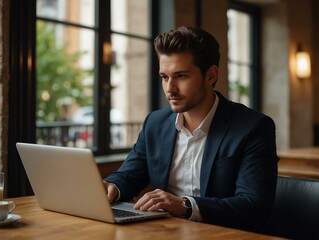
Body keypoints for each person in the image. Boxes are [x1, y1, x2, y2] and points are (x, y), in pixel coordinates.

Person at [103, 26, 278, 232]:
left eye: (181, 76)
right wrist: (112, 187)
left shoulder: (253, 127)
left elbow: (254, 208)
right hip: (167, 233)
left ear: (211, 75)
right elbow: (128, 176)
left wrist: (185, 205)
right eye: (165, 77)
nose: (170, 88)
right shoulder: (155, 123)